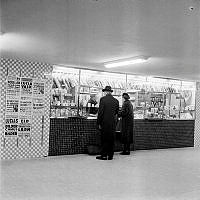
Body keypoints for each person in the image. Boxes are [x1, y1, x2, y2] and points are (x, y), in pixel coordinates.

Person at [96, 86, 119, 160]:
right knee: (111, 139)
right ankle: (110, 155)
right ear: (111, 92)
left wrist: (98, 123)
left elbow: (100, 112)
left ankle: (104, 155)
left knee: (104, 139)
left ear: (106, 92)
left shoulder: (103, 99)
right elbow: (116, 112)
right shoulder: (116, 101)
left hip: (104, 122)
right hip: (113, 122)